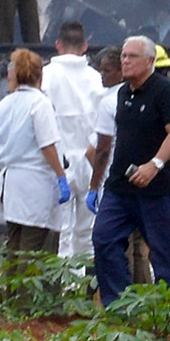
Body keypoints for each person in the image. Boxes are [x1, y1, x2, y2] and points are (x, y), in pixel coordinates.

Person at [91, 35, 170, 306]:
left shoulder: (165, 91)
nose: (126, 61)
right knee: (104, 239)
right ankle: (119, 304)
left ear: (150, 61)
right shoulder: (122, 93)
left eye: (132, 56)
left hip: (155, 189)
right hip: (120, 187)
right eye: (123, 56)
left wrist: (154, 165)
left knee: (163, 250)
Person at [0, 49, 70, 263]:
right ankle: (26, 298)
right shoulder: (40, 103)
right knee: (33, 254)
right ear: (40, 75)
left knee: (14, 251)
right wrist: (61, 176)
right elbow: (47, 144)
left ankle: (11, 296)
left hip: (12, 186)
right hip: (36, 186)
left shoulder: (4, 104)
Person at [87, 47, 152, 284]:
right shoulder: (144, 94)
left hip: (114, 182)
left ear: (121, 72)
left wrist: (94, 184)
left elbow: (97, 150)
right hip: (141, 177)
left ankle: (121, 299)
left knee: (117, 241)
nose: (102, 75)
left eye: (107, 70)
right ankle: (144, 298)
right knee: (139, 245)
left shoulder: (109, 100)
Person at [41, 21, 103, 258]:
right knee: (88, 232)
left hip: (59, 162)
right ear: (85, 46)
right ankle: (87, 284)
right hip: (91, 159)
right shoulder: (96, 78)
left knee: (62, 231)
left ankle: (66, 286)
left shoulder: (46, 76)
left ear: (57, 44)